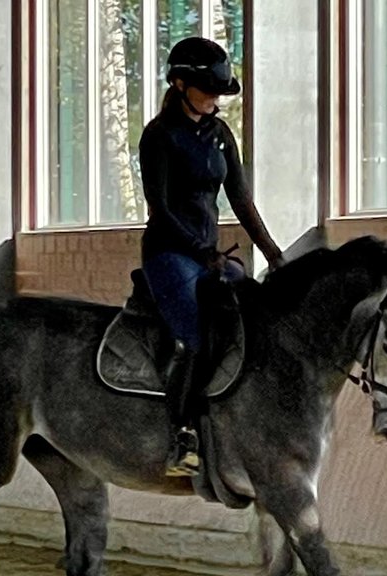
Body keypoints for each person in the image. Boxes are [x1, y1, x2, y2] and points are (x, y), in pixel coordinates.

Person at [139, 36, 284, 477]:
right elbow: (160, 209)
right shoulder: (158, 136)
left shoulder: (221, 135)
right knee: (199, 334)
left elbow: (240, 199)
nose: (217, 99)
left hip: (211, 256)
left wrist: (274, 254)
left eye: (221, 92)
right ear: (180, 84)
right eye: (209, 91)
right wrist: (202, 251)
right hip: (170, 254)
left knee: (255, 320)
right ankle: (182, 435)